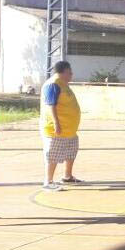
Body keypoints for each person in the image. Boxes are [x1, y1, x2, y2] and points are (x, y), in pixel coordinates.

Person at [41, 61, 83, 190]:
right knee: (53, 155)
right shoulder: (53, 84)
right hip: (57, 130)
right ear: (63, 72)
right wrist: (56, 123)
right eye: (69, 72)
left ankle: (67, 176)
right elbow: (51, 105)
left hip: (69, 130)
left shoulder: (63, 84)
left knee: (71, 153)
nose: (71, 74)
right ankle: (48, 182)